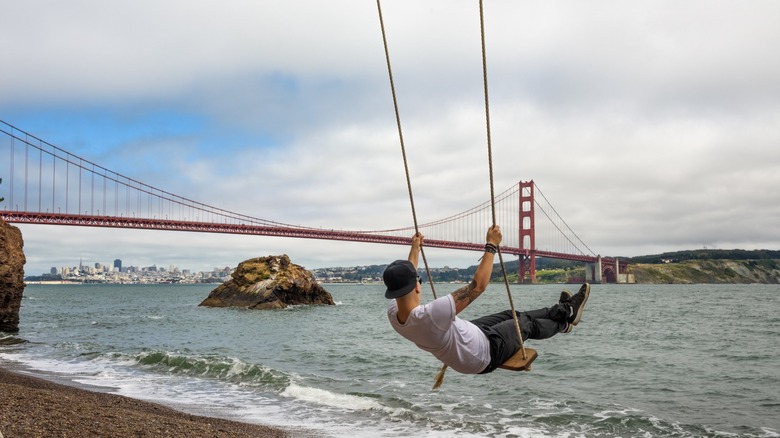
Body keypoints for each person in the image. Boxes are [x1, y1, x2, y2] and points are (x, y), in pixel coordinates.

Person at [383, 225, 590, 374]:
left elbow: (407, 277)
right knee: (525, 324)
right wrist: (491, 245)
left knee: (512, 315)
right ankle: (565, 319)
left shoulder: (395, 313)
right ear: (417, 286)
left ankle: (563, 309)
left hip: (471, 337)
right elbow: (477, 286)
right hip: (484, 354)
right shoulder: (431, 316)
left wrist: (415, 248)